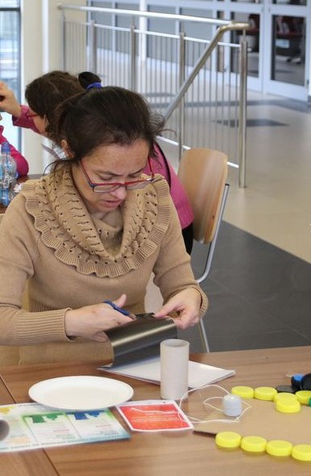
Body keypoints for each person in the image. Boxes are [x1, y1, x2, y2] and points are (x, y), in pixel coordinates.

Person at [0, 83, 207, 365]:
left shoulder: (153, 198)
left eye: (134, 174)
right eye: (105, 178)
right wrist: (71, 322)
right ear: (69, 150)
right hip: (49, 370)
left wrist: (191, 298)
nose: (121, 192)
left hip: (134, 364)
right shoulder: (30, 209)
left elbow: (184, 285)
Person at [0, 73, 195, 253]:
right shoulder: (101, 135)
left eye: (33, 114)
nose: (120, 191)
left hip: (169, 230)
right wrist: (18, 111)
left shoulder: (118, 154)